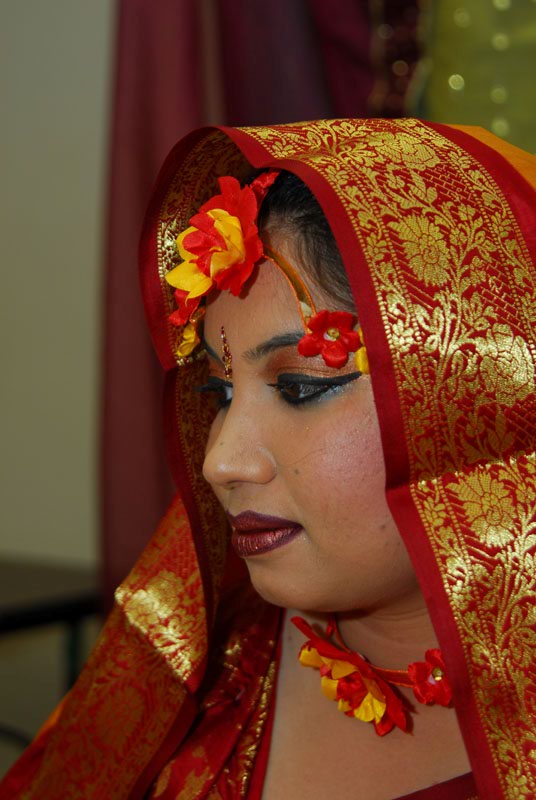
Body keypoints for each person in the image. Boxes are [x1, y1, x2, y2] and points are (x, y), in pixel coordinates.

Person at [2, 118, 535, 799]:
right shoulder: (201, 679)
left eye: (300, 387)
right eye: (218, 394)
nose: (220, 462)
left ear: (486, 397)